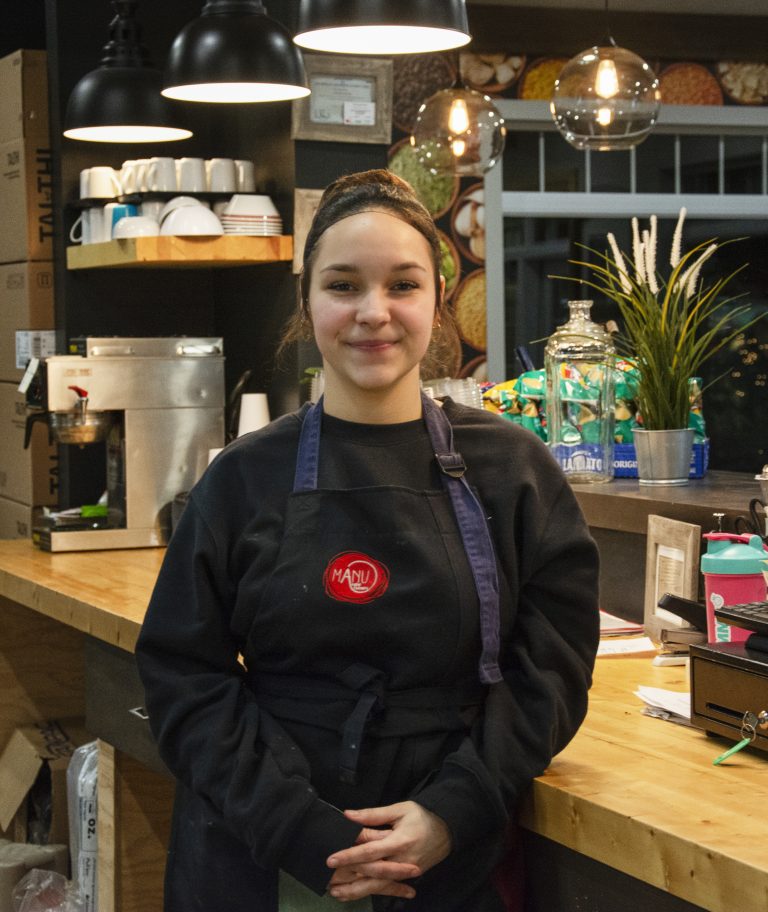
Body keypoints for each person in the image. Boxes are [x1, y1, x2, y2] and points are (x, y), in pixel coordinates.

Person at [135, 169, 600, 912]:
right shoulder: (243, 478)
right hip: (262, 847)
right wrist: (297, 826)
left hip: (450, 855)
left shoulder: (514, 471)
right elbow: (183, 675)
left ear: (437, 300)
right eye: (344, 285)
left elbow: (553, 669)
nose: (373, 312)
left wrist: (453, 809)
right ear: (308, 301)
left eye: (402, 285)